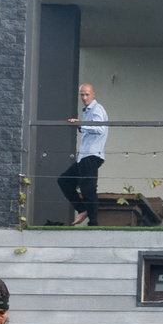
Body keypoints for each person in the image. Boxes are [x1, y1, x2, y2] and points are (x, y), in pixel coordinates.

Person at [60, 83, 108, 224]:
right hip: (84, 155)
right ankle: (82, 210)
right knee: (64, 181)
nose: (84, 97)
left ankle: (93, 222)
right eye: (82, 95)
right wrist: (80, 125)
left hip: (92, 155)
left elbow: (100, 128)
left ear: (93, 94)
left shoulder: (97, 109)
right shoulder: (88, 111)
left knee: (88, 189)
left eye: (87, 94)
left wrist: (80, 125)